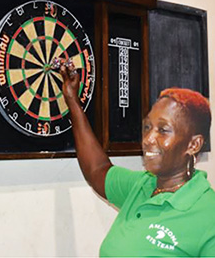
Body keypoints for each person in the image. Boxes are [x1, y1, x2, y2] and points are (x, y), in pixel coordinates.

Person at [59, 61, 215, 255]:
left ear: (193, 145)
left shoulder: (209, 215)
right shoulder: (143, 186)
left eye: (163, 130)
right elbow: (97, 169)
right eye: (147, 127)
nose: (148, 139)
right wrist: (72, 101)